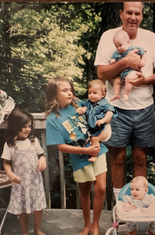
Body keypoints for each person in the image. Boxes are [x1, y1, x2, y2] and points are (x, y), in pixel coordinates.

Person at [94, 1, 155, 203]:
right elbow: (101, 72)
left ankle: (140, 202)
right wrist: (125, 62)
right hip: (116, 108)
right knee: (117, 158)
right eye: (129, 13)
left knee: (140, 157)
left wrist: (147, 79)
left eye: (137, 13)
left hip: (144, 107)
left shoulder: (150, 38)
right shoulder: (109, 37)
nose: (133, 17)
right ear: (121, 14)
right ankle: (120, 205)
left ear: (142, 15)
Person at [45, 77, 108, 235]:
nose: (69, 92)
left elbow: (104, 109)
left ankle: (95, 224)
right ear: (54, 95)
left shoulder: (81, 105)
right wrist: (86, 151)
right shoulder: (53, 119)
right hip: (80, 157)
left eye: (70, 89)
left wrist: (99, 139)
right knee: (85, 191)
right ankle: (87, 224)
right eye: (64, 90)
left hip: (98, 150)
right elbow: (61, 146)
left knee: (100, 188)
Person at [1, 107, 47, 235]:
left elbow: (41, 154)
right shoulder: (10, 144)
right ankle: (25, 232)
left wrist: (42, 159)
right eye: (24, 127)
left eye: (29, 126)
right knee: (22, 210)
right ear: (15, 127)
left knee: (38, 209)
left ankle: (38, 229)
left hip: (35, 182)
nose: (27, 129)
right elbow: (6, 163)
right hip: (20, 184)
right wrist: (10, 174)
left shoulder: (33, 141)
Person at [76, 79, 117, 161]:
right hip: (93, 129)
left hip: (104, 128)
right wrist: (82, 109)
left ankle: (94, 155)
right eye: (90, 93)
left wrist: (103, 120)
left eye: (95, 93)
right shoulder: (88, 102)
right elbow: (85, 108)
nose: (91, 95)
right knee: (88, 138)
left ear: (103, 94)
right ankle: (90, 153)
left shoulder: (104, 104)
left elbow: (110, 113)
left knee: (95, 139)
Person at [109, 30, 147, 101]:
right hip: (121, 73)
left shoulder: (134, 49)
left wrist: (143, 61)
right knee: (116, 81)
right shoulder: (116, 53)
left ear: (128, 41)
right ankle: (117, 94)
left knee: (129, 79)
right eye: (116, 46)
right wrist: (112, 61)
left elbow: (144, 53)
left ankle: (126, 94)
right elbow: (112, 58)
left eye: (120, 45)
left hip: (132, 71)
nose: (118, 48)